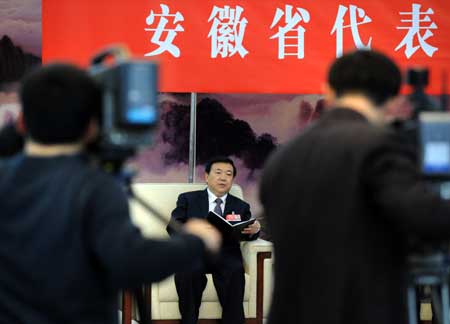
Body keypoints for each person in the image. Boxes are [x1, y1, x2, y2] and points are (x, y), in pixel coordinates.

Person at [0, 63, 222, 324]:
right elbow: (130, 262)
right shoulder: (95, 186)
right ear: (92, 126)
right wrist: (195, 241)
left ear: (23, 122)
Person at [259, 49, 450, 324]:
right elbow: (423, 215)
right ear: (395, 99)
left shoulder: (284, 156)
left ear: (329, 91)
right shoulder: (378, 145)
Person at [167, 156, 261, 324]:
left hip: (226, 254)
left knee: (234, 270)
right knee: (188, 272)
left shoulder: (241, 206)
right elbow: (174, 226)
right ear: (206, 176)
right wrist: (195, 229)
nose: (223, 177)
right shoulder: (188, 199)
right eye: (218, 172)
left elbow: (247, 231)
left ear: (232, 179)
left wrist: (255, 231)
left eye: (228, 174)